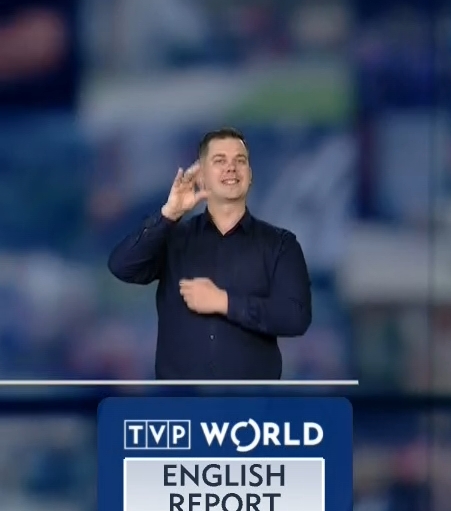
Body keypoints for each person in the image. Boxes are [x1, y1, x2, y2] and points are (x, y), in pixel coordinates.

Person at [108, 127, 313, 380]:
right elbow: (122, 267)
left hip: (251, 402)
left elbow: (296, 317)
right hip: (181, 401)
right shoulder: (173, 239)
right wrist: (169, 214)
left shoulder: (280, 244)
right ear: (202, 178)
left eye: (240, 161)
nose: (231, 168)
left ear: (249, 176)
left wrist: (224, 302)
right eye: (219, 161)